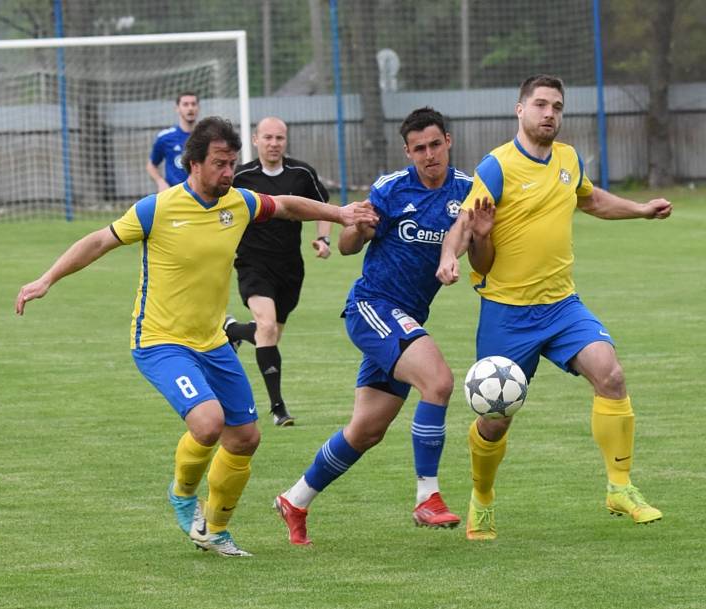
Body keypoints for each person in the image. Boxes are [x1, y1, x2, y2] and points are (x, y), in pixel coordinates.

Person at [15, 116, 378, 558]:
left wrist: (338, 213)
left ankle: (216, 531)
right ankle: (183, 494)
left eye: (232, 163)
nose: (229, 172)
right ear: (194, 164)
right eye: (220, 164)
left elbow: (286, 204)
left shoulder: (239, 203)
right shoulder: (158, 208)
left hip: (212, 342)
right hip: (160, 341)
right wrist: (47, 278)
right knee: (207, 423)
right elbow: (98, 241)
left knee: (246, 437)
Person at [437, 74, 672, 541]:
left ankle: (619, 487)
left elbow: (593, 201)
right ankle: (481, 500)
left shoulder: (567, 159)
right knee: (494, 419)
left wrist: (641, 209)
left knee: (612, 376)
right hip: (507, 312)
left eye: (557, 107)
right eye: (541, 104)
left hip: (562, 305)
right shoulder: (497, 166)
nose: (550, 114)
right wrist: (448, 259)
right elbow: (465, 225)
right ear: (519, 110)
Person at [274, 107, 492, 545]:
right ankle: (427, 497)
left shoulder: (469, 192)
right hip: (372, 307)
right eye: (419, 149)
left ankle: (295, 499)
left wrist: (483, 235)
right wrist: (358, 226)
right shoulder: (391, 189)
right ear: (407, 152)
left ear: (448, 141)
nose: (429, 155)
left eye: (435, 145)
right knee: (439, 382)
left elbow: (483, 265)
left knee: (366, 430)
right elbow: (348, 247)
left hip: (406, 319)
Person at [224, 116, 332, 427]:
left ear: (286, 141)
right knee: (267, 328)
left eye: (279, 138)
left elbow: (323, 206)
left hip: (290, 268)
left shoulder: (301, 173)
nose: (274, 144)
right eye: (268, 138)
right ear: (256, 140)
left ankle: (232, 331)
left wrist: (323, 237)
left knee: (267, 337)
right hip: (253, 264)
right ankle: (277, 408)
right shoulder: (241, 176)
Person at [145, 91, 200, 192]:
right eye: (185, 104)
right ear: (177, 109)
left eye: (193, 104)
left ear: (198, 108)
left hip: (200, 194)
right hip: (174, 194)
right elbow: (151, 165)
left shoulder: (206, 137)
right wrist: (160, 182)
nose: (190, 108)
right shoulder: (165, 137)